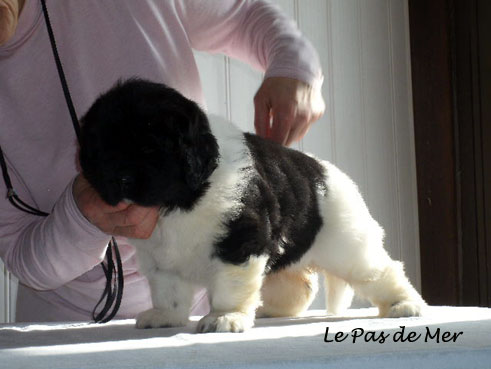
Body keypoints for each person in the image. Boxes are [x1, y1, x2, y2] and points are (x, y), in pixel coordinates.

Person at [0, 0, 325, 322]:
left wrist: (294, 65)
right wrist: (82, 219)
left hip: (206, 301)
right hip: (61, 329)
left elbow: (243, 14)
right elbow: (22, 259)